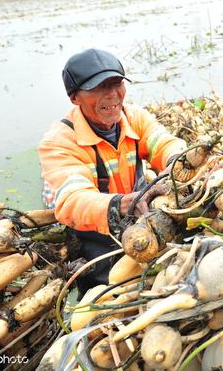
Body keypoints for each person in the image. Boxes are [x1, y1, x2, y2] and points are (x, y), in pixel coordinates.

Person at [38, 48, 186, 295]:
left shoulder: (134, 117)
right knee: (104, 292)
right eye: (98, 88)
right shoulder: (60, 141)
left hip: (139, 217)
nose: (112, 95)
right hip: (95, 235)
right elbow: (73, 200)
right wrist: (124, 203)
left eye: (116, 83)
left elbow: (166, 142)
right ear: (74, 97)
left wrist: (177, 163)